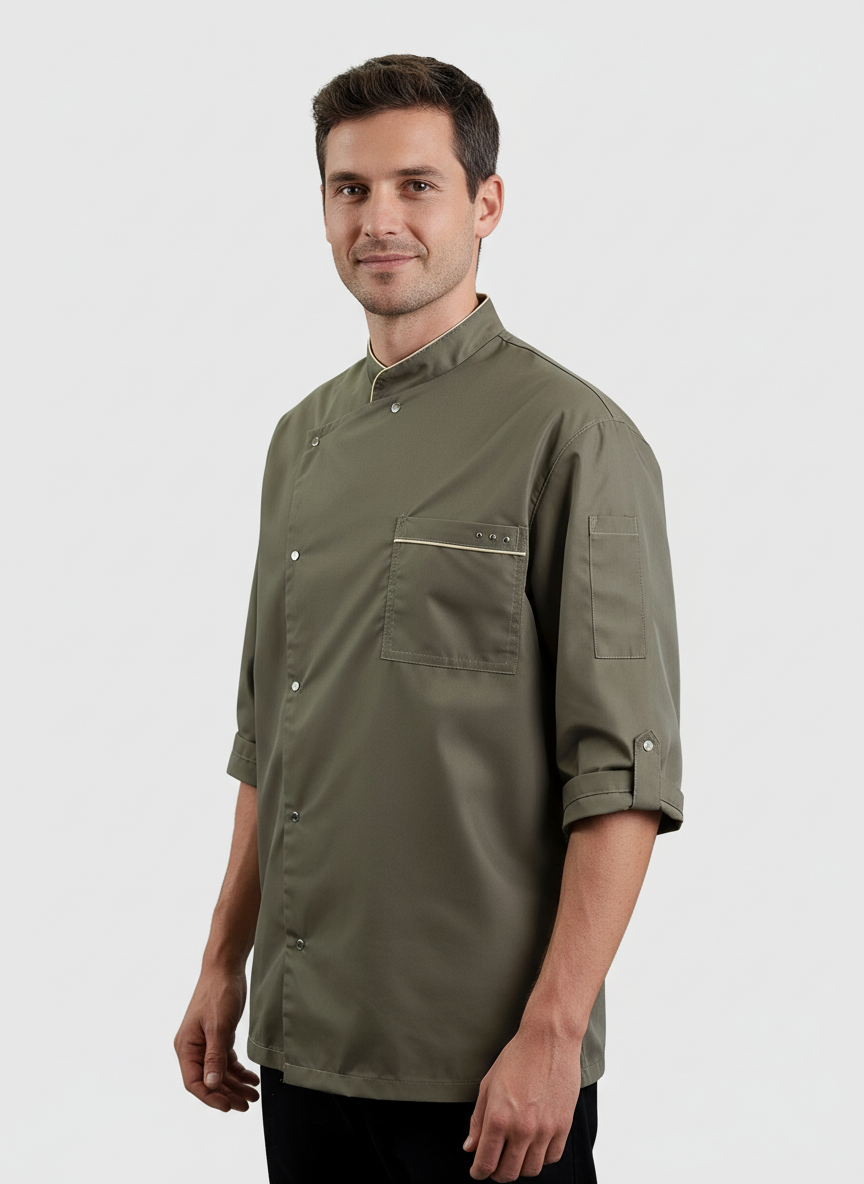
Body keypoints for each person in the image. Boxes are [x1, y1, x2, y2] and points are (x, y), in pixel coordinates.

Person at [174, 53, 684, 1183]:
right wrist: (222, 960)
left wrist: (553, 1032)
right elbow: (272, 735)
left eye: (417, 185)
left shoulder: (575, 437)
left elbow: (624, 774)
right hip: (303, 1050)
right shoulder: (298, 439)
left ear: (485, 203)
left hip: (488, 1072)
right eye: (350, 189)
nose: (379, 220)